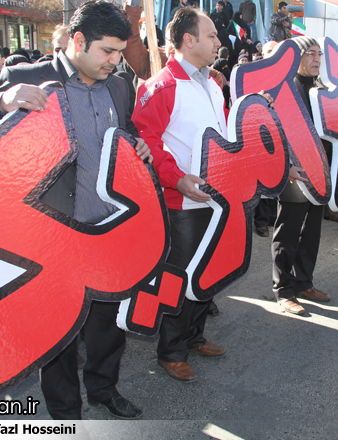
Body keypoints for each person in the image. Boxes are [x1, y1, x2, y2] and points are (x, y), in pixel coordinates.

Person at [0, 0, 150, 420]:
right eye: (107, 51)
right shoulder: (26, 77)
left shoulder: (120, 85)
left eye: (120, 52)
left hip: (108, 227)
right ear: (78, 40)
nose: (115, 60)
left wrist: (137, 146)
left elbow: (127, 132)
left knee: (108, 325)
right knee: (60, 334)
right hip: (52, 234)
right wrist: (1, 102)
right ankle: (66, 412)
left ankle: (105, 388)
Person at [132, 7, 227, 383]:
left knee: (208, 271)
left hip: (217, 198)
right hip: (181, 203)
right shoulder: (161, 86)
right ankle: (171, 351)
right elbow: (146, 142)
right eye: (212, 35)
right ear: (189, 40)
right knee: (180, 277)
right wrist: (175, 179)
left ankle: (194, 336)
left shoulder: (214, 83)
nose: (219, 42)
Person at [272, 36, 334, 315]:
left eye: (319, 53)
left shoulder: (321, 89)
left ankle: (303, 281)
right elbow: (271, 134)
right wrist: (285, 167)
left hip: (320, 172)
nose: (316, 59)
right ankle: (283, 290)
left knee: (312, 231)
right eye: (310, 53)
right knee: (288, 231)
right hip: (294, 174)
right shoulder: (282, 90)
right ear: (293, 58)